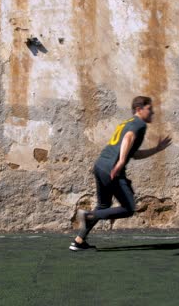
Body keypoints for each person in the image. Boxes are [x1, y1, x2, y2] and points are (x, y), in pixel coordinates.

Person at [69, 96, 172, 251]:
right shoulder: (139, 124)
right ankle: (89, 215)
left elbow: (135, 154)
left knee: (103, 206)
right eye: (149, 109)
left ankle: (78, 241)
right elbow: (128, 138)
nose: (152, 113)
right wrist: (121, 162)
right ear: (139, 109)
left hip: (100, 165)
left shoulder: (127, 123)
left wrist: (156, 149)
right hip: (112, 169)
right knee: (129, 208)